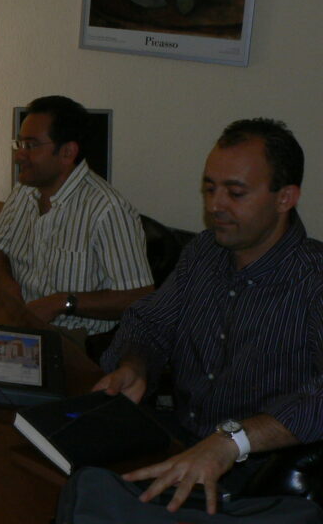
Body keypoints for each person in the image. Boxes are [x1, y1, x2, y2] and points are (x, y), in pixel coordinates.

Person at [96, 119, 323, 514]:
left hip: (257, 474)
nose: (215, 206)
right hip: (179, 440)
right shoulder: (205, 252)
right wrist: (135, 363)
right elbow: (150, 322)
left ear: (285, 198)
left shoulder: (314, 280)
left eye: (235, 193)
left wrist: (232, 440)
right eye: (210, 188)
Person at [0, 96, 154, 336]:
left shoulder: (107, 209)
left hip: (75, 337)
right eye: (19, 144)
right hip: (21, 321)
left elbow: (138, 297)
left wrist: (61, 303)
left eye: (31, 146)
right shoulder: (24, 189)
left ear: (67, 152)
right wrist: (7, 284)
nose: (19, 156)